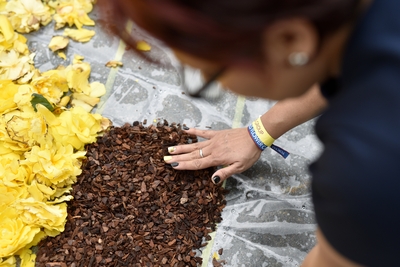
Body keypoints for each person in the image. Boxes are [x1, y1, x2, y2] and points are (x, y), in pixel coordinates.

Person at [99, 0, 400, 266]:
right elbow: (338, 59)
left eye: (212, 74)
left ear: (290, 38)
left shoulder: (368, 173)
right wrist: (259, 131)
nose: (212, 83)